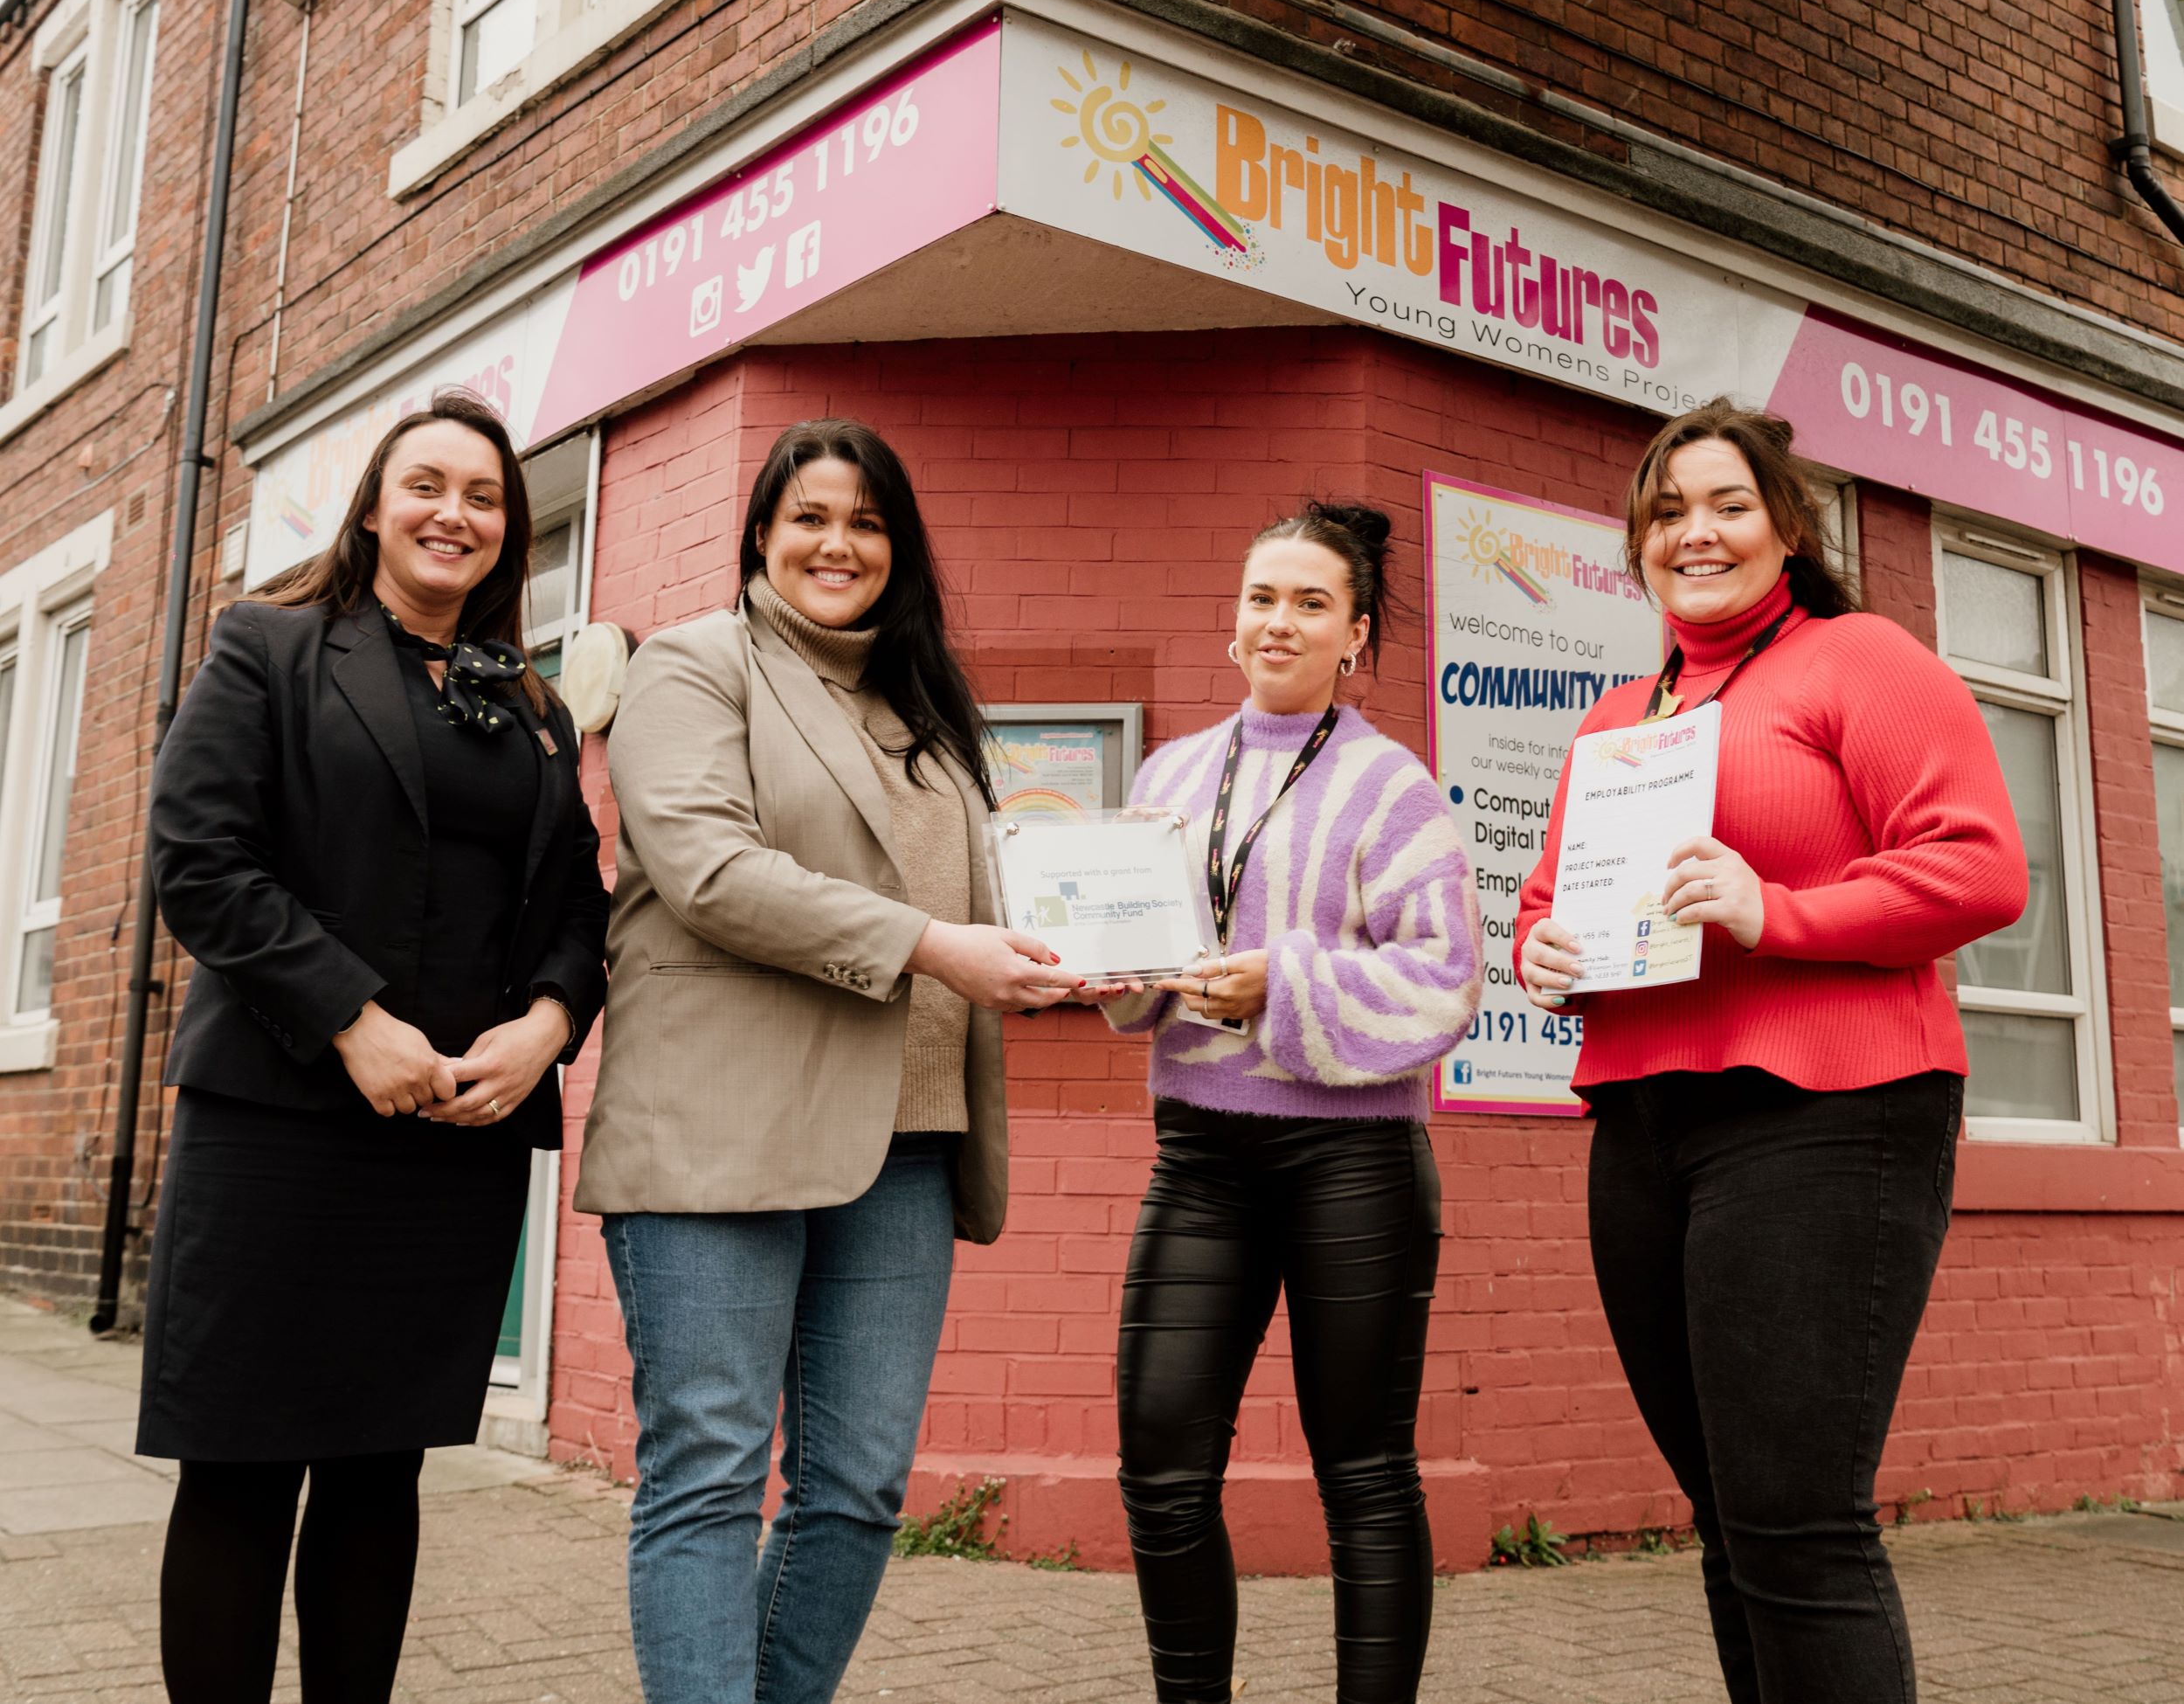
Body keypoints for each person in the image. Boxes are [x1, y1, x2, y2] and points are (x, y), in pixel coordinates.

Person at [1514, 400, 2028, 1704]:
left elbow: (1980, 866)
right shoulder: (1618, 718)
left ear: (1788, 528)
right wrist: (1540, 954)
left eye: (1730, 503)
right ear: (1638, 544)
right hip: (1642, 1120)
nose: (1699, 531)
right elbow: (1546, 899)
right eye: (1669, 510)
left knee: (1797, 1520)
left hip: (1830, 1111)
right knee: (1732, 1521)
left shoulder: (1863, 660)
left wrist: (1775, 912)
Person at [577, 418, 1078, 1704]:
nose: (837, 543)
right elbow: (711, 871)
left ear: (897, 545)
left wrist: (1098, 942)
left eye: (865, 520)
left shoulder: (926, 706)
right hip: (719, 1136)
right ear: (760, 533)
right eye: (809, 516)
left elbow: (988, 897)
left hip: (905, 1141)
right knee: (710, 1473)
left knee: (855, 1488)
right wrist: (936, 946)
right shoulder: (694, 668)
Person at [138, 388, 610, 1704]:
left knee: (379, 1465)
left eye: (485, 496)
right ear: (374, 505)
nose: (454, 513)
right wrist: (352, 1016)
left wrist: (546, 1027)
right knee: (240, 1464)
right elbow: (199, 863)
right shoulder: (271, 649)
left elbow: (581, 903)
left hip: (451, 1138)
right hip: (279, 1122)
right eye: (429, 485)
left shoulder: (532, 706)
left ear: (509, 533)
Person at [1080, 504, 1483, 1704]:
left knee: (1363, 1470)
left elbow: (1446, 979)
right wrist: (1121, 974)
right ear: (1234, 616)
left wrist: (1283, 983)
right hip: (1198, 1151)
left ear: (1355, 634)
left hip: (1349, 1161)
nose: (1279, 621)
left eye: (1311, 602)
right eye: (1263, 595)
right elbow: (1136, 960)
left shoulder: (1394, 786)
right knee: (1159, 1460)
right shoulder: (1171, 774)